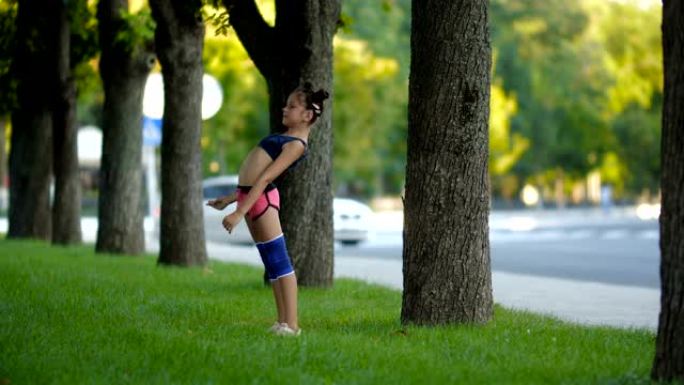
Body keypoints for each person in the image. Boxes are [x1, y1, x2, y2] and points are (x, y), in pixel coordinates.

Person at [206, 83, 329, 337]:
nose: (285, 108)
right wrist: (230, 200)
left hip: (262, 200)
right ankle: (282, 322)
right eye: (286, 104)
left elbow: (263, 179)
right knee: (271, 263)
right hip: (250, 197)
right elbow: (249, 181)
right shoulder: (285, 137)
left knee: (280, 261)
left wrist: (239, 213)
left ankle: (293, 325)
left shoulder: (296, 144)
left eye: (292, 106)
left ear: (307, 116)